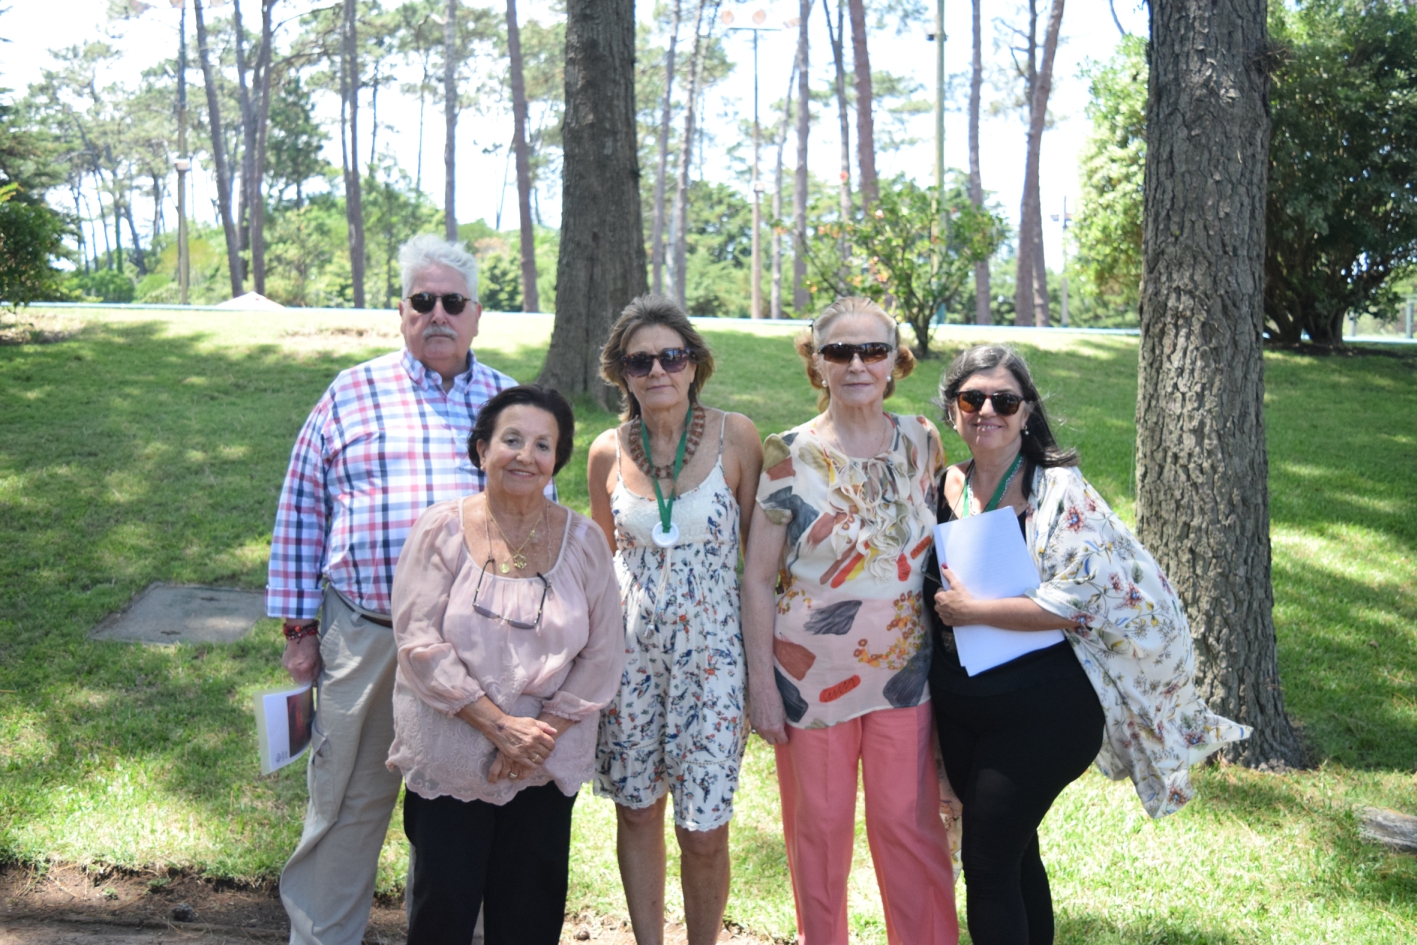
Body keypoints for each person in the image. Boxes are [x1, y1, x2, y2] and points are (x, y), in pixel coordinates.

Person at [923, 344, 1250, 945]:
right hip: (962, 708)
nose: (987, 410)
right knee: (1016, 856)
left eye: (1005, 400)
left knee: (988, 867)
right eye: (973, 398)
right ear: (953, 411)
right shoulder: (941, 486)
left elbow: (1079, 606)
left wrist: (972, 611)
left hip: (1044, 711)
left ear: (1026, 413)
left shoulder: (1060, 493)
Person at [266, 234, 521, 945]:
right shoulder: (351, 390)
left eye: (452, 301)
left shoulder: (508, 403)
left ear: (475, 313)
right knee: (346, 801)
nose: (437, 313)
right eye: (421, 300)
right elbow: (301, 508)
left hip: (472, 651)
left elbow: (540, 527)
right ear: (402, 310)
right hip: (366, 634)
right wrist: (297, 632)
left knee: (458, 810)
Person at [741, 297, 958, 945]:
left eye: (873, 350)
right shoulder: (787, 454)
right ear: (816, 363)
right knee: (820, 831)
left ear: (896, 362)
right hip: (809, 681)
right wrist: (760, 685)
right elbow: (755, 577)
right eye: (839, 350)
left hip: (904, 677)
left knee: (908, 826)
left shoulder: (921, 438)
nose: (857, 363)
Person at [387, 384, 624, 945]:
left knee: (530, 916)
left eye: (544, 445)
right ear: (481, 450)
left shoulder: (585, 541)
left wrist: (534, 739)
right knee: (441, 911)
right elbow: (419, 643)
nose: (526, 454)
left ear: (556, 461)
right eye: (511, 439)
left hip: (543, 758)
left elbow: (603, 653)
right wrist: (499, 726)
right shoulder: (440, 529)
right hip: (452, 751)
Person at [587, 296, 763, 945]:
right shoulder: (605, 451)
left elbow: (759, 564)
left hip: (714, 662)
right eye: (640, 360)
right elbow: (603, 566)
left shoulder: (736, 436)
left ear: (694, 365)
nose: (656, 369)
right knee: (636, 812)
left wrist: (763, 671)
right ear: (621, 372)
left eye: (671, 356)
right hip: (629, 659)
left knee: (703, 827)